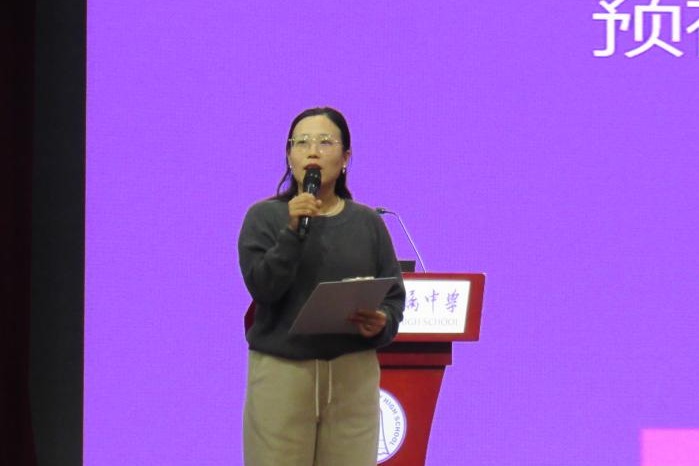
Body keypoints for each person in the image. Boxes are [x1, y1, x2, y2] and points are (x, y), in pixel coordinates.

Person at [237, 107, 406, 466]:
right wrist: (293, 232)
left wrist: (381, 322)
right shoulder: (263, 218)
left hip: (352, 377)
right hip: (283, 374)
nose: (312, 152)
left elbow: (393, 297)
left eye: (325, 142)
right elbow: (264, 288)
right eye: (301, 143)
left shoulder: (367, 223)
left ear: (345, 157)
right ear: (289, 156)